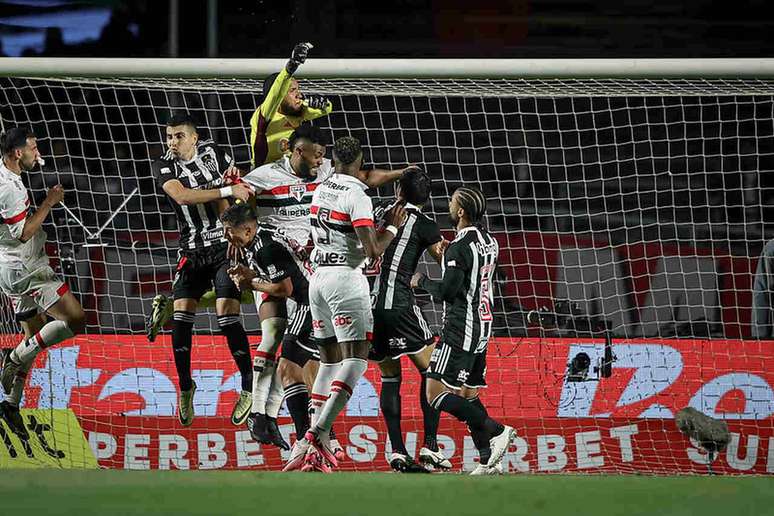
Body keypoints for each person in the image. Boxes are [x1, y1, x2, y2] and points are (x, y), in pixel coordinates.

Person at [291, 136, 406, 473]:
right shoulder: (357, 195)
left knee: (327, 362)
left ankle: (317, 444)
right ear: (360, 161)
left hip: (318, 281)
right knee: (356, 360)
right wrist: (393, 228)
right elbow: (373, 250)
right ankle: (317, 432)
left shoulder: (323, 187)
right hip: (344, 279)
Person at [151, 112, 254, 427]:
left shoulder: (216, 154)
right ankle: (185, 387)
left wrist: (233, 183)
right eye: (169, 136)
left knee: (227, 316)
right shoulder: (164, 165)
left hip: (224, 248)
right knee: (181, 321)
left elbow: (234, 198)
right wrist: (226, 190)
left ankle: (249, 388)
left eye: (178, 136)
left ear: (194, 138)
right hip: (191, 251)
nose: (172, 142)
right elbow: (181, 195)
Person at [410, 186, 514, 475]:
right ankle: (487, 461)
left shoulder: (459, 246)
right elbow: (471, 275)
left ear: (461, 212)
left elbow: (447, 291)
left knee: (433, 393)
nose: (449, 205)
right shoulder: (490, 242)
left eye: (453, 202)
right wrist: (448, 257)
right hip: (483, 326)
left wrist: (421, 282)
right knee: (468, 395)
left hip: (459, 328)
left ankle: (497, 430)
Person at [0, 127, 86, 439]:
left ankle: (10, 403)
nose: (39, 153)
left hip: (9, 267)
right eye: (33, 148)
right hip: (27, 268)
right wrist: (49, 201)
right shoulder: (7, 188)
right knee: (75, 319)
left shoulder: (7, 171)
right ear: (17, 153)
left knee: (33, 336)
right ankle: (12, 358)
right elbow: (22, 232)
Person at [367, 167, 450, 472]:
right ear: (427, 199)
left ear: (399, 192)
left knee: (390, 378)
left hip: (370, 306)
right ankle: (429, 445)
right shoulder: (426, 224)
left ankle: (398, 451)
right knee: (434, 373)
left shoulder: (380, 212)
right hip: (400, 305)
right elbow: (443, 258)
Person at [220, 203, 316, 453]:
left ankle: (291, 430)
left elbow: (285, 289)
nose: (226, 236)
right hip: (311, 300)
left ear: (248, 230)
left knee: (289, 364)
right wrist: (249, 275)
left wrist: (250, 284)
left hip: (314, 303)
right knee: (286, 359)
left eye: (230, 231)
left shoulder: (266, 249)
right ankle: (267, 419)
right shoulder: (258, 242)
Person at [249, 42, 332, 168]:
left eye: (298, 89)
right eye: (292, 90)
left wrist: (323, 103)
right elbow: (275, 94)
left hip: (290, 174)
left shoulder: (296, 113)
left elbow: (327, 109)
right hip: (264, 176)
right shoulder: (263, 117)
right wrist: (291, 66)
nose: (299, 94)